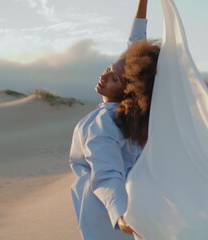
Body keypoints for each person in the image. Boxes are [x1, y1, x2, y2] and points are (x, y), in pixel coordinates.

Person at [68, 0, 159, 239]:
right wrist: (143, 4)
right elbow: (136, 46)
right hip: (134, 200)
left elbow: (107, 171)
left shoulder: (103, 123)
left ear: (129, 90)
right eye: (109, 68)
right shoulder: (135, 115)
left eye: (115, 79)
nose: (105, 75)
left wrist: (119, 214)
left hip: (106, 211)